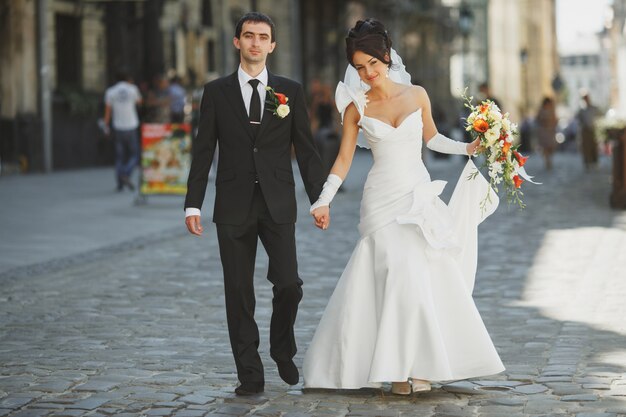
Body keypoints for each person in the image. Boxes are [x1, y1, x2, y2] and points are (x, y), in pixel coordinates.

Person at [303, 18, 504, 395]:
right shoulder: (355, 107)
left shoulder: (417, 95)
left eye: (373, 64)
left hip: (416, 194)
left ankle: (422, 367)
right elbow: (344, 159)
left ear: (387, 57)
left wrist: (467, 148)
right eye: (360, 67)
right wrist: (324, 199)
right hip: (380, 198)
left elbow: (432, 138)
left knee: (417, 276)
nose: (367, 73)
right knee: (394, 274)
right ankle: (396, 372)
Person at [184, 12, 326, 396]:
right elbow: (203, 150)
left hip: (278, 202)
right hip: (232, 205)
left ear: (272, 45)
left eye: (263, 37)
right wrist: (192, 204)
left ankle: (282, 348)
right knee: (239, 293)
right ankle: (250, 374)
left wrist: (320, 199)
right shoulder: (215, 92)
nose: (255, 43)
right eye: (248, 36)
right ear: (237, 42)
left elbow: (308, 151)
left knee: (289, 284)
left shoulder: (289, 91)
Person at [103, 71, 142, 191]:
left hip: (118, 127)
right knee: (134, 154)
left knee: (119, 157)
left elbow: (108, 111)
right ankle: (126, 172)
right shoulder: (133, 89)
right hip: (131, 125)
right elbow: (140, 103)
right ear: (128, 79)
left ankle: (120, 183)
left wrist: (106, 126)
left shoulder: (110, 91)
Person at [576, 93, 599, 169]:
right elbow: (578, 118)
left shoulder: (594, 108)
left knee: (593, 146)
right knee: (586, 147)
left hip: (592, 129)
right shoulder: (581, 110)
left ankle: (594, 162)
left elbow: (598, 116)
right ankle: (587, 162)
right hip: (585, 130)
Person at [535, 97, 558, 171]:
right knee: (545, 147)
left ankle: (548, 158)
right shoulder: (541, 110)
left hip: (550, 131)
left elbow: (555, 120)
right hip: (543, 131)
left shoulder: (552, 110)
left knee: (550, 147)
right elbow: (537, 119)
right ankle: (547, 160)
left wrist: (553, 126)